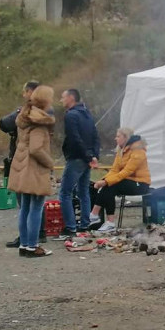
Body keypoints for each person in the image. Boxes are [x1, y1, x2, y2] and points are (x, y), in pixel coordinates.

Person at [7, 85, 56, 257]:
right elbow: (36, 149)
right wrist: (50, 163)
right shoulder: (39, 122)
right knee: (36, 208)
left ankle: (24, 245)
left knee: (25, 208)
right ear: (46, 101)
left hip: (22, 167)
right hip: (34, 169)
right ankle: (33, 246)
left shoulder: (25, 117)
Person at [1, 81, 43, 249]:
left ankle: (26, 243)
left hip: (22, 161)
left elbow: (4, 124)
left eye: (25, 91)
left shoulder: (24, 113)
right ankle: (32, 242)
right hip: (33, 162)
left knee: (26, 205)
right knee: (34, 205)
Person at [89, 127, 152, 233]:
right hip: (127, 181)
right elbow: (114, 170)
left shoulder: (138, 151)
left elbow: (127, 171)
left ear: (125, 137)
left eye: (118, 136)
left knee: (111, 184)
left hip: (140, 183)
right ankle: (105, 220)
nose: (115, 138)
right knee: (109, 186)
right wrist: (103, 180)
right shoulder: (121, 151)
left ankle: (96, 215)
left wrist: (106, 182)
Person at [58, 89, 100, 237]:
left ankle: (70, 227)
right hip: (87, 158)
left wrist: (88, 156)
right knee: (83, 192)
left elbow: (74, 138)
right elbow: (95, 136)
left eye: (63, 97)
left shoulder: (71, 115)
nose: (61, 100)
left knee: (65, 193)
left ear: (71, 98)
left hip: (76, 158)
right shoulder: (87, 114)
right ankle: (84, 225)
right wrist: (93, 156)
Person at [0, 81, 40, 181]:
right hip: (38, 156)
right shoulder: (47, 110)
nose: (23, 95)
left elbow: (5, 124)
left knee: (22, 186)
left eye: (25, 92)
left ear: (30, 92)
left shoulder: (26, 111)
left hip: (24, 157)